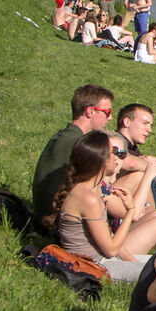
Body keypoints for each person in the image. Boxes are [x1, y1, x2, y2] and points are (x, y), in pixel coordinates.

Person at [53, 131, 156, 281]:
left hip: (104, 259)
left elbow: (110, 239)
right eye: (113, 152)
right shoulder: (88, 198)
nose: (118, 157)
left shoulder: (93, 188)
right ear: (103, 160)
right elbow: (111, 249)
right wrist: (130, 210)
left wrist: (133, 263)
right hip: (96, 266)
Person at [31, 84, 114, 223]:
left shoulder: (66, 135)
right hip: (56, 220)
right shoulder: (79, 143)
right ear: (89, 111)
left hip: (46, 214)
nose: (110, 118)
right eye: (107, 112)